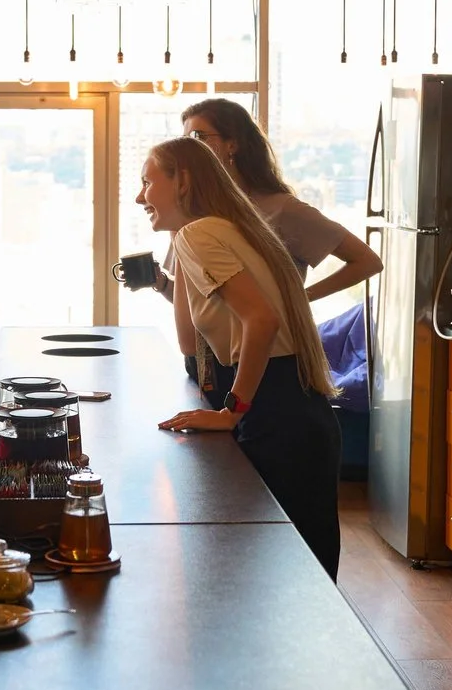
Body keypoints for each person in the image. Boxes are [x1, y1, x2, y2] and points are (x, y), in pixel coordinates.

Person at [138, 135, 342, 578]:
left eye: (147, 182)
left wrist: (233, 410)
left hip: (275, 412)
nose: (140, 197)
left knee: (279, 579)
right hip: (298, 411)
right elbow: (190, 342)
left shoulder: (201, 233)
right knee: (302, 581)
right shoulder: (212, 229)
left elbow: (261, 321)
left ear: (184, 181)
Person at [178, 98, 381, 300]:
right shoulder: (197, 213)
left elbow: (367, 261)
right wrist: (159, 282)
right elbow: (199, 302)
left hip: (274, 333)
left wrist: (297, 302)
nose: (190, 150)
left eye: (198, 137)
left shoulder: (281, 209)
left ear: (232, 144)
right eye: (185, 141)